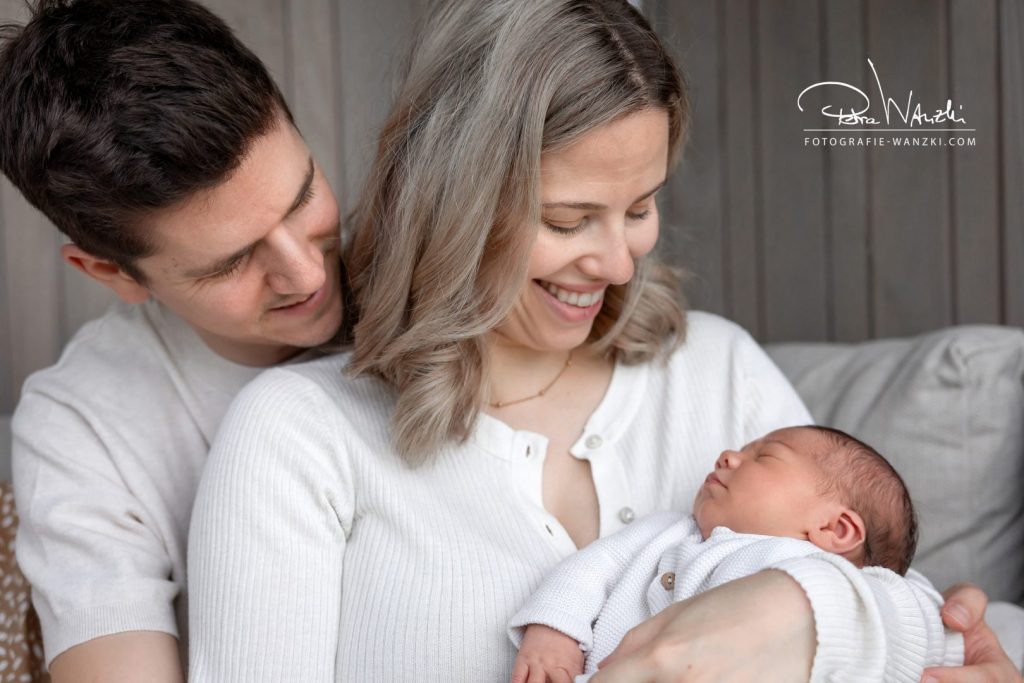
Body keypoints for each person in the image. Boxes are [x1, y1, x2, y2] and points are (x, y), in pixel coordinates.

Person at [188, 0, 1017, 681]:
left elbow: (876, 593)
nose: (620, 261)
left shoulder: (717, 370)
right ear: (451, 203)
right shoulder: (299, 436)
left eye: (641, 207)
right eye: (568, 219)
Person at [0, 1, 345, 681]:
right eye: (231, 262)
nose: (306, 273)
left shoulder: (429, 267)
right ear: (111, 273)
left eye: (302, 198)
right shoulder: (80, 431)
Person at [508, 425, 963, 682]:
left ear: (834, 529)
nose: (728, 455)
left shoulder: (811, 574)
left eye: (765, 457)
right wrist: (553, 633)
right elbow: (589, 571)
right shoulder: (665, 531)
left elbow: (916, 620)